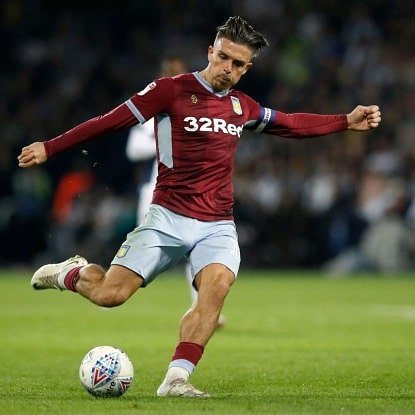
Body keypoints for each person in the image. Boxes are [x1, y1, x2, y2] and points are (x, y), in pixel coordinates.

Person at [17, 16, 381, 398]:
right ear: (210, 52)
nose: (228, 68)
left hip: (217, 223)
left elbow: (289, 123)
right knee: (111, 295)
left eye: (238, 64)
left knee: (216, 288)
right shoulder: (170, 90)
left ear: (246, 68)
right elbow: (109, 121)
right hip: (167, 216)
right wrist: (51, 147)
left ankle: (176, 378)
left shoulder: (242, 106)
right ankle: (71, 273)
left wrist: (345, 121)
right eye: (223, 57)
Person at [125, 56, 226, 326]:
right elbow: (133, 150)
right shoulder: (152, 108)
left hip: (190, 190)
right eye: (169, 72)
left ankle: (201, 307)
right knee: (142, 248)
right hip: (155, 190)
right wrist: (167, 139)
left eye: (178, 72)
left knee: (197, 246)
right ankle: (108, 288)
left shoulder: (198, 108)